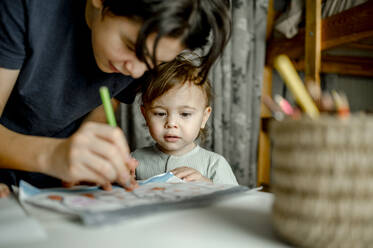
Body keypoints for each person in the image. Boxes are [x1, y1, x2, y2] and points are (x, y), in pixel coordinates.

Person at [0, 0, 231, 190]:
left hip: (62, 189)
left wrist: (95, 152)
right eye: (131, 47)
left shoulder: (139, 62)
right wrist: (53, 156)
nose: (136, 71)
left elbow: (104, 102)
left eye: (157, 62)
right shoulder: (25, 9)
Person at [133, 57, 238, 185]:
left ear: (204, 117)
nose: (171, 123)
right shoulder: (134, 161)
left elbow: (234, 201)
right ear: (145, 115)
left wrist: (207, 184)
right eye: (160, 113)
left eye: (185, 114)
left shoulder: (214, 164)